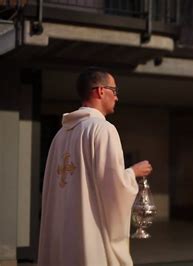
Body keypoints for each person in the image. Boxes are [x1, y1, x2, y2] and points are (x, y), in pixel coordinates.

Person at [38, 67, 153, 266]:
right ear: (100, 91)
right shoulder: (103, 129)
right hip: (89, 235)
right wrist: (133, 172)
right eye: (115, 91)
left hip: (62, 236)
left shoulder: (60, 135)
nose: (117, 97)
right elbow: (112, 187)